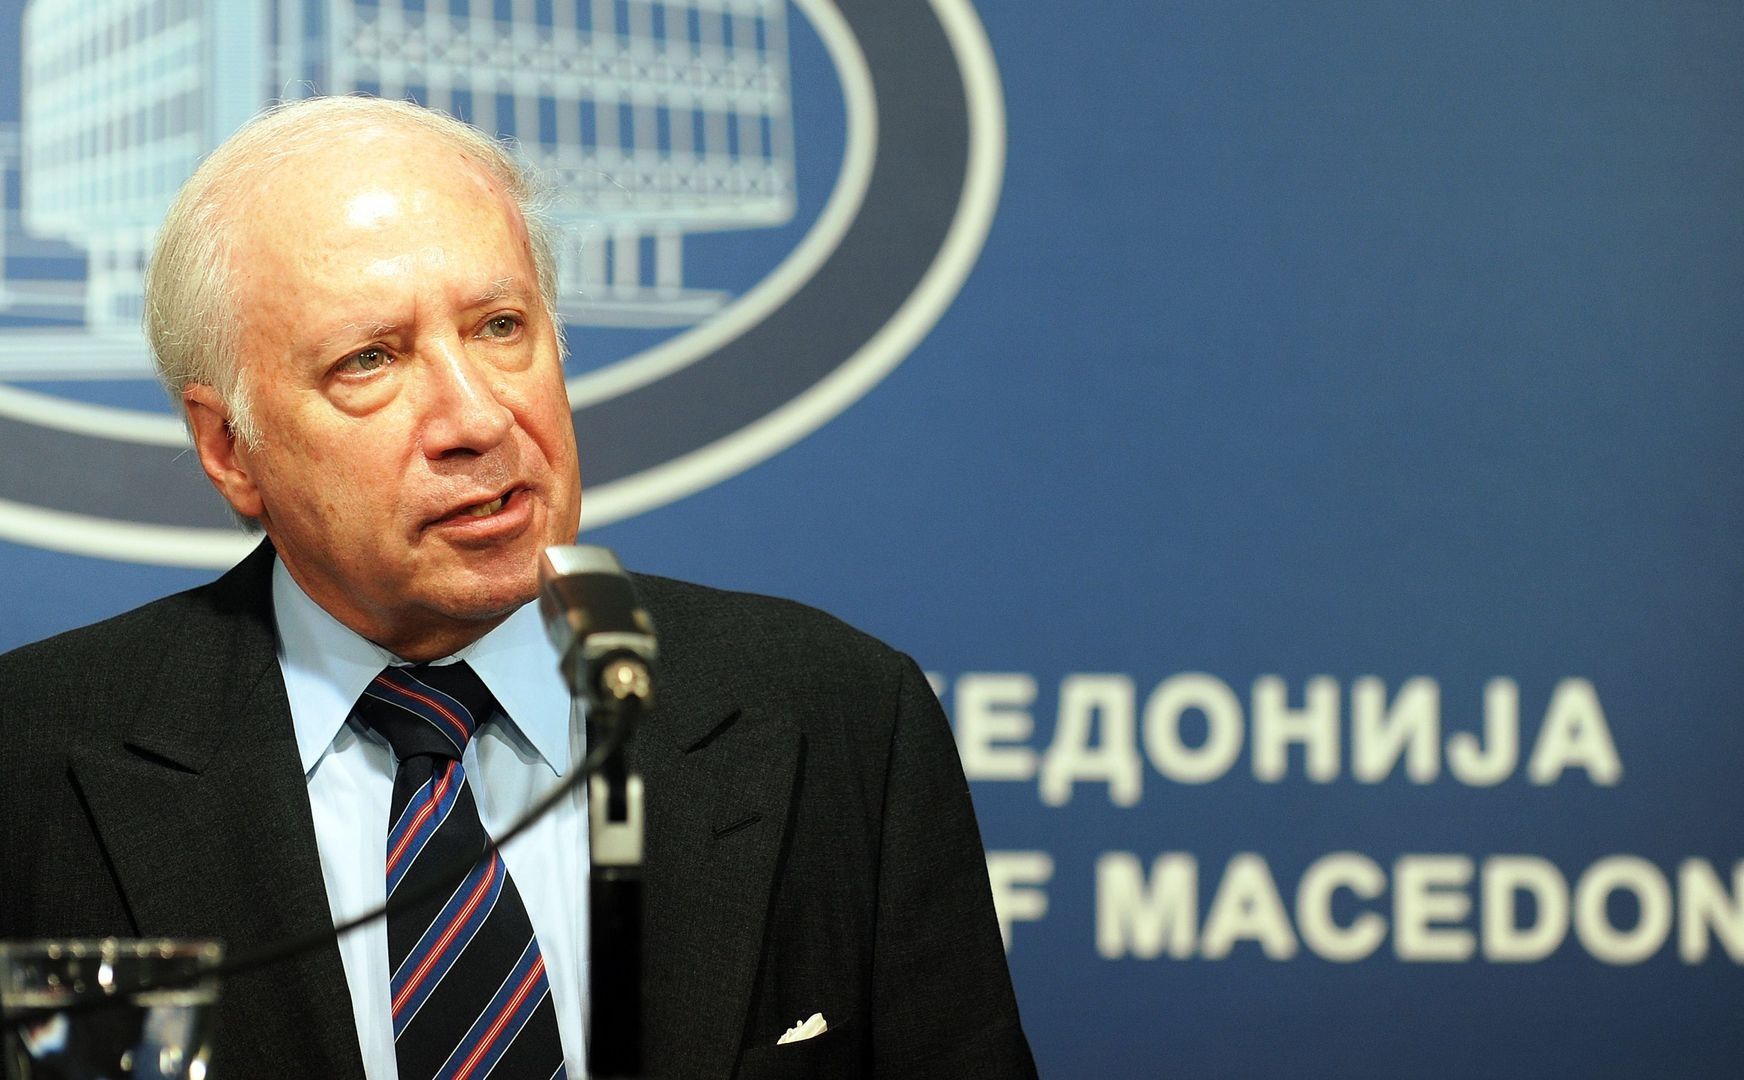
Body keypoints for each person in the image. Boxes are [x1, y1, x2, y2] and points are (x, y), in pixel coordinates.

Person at [0, 96, 1036, 1080]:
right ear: (230, 447)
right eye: (370, 360)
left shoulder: (838, 715)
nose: (478, 418)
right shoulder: (30, 760)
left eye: (500, 327)